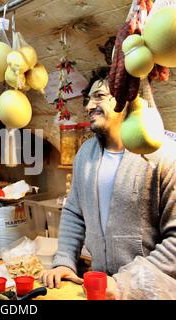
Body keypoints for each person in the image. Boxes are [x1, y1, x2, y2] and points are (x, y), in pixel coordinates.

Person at [40, 67, 176, 299]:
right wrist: (64, 259)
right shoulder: (85, 154)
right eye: (88, 99)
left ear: (127, 97)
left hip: (150, 291)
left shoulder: (165, 154)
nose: (88, 106)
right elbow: (74, 212)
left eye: (99, 96)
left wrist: (125, 282)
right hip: (100, 286)